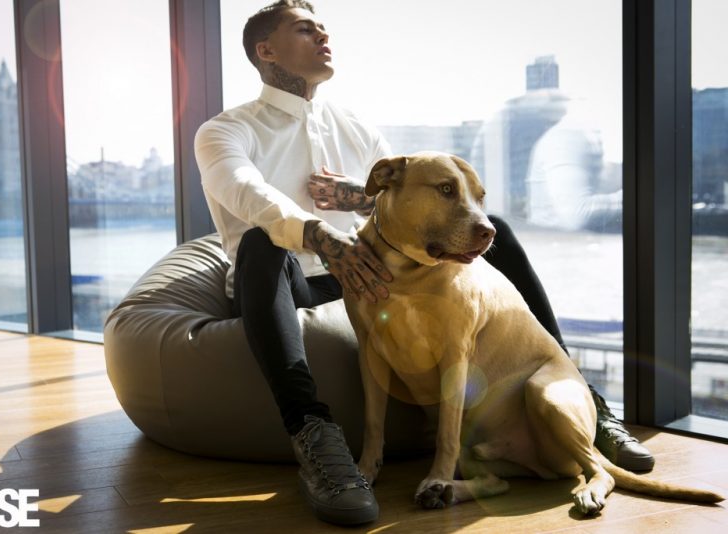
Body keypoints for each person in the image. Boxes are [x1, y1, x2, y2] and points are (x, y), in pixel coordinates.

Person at [194, 0, 654, 526]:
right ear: (266, 50)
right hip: (291, 285)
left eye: (325, 28)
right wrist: (318, 233)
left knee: (492, 229)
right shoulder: (224, 131)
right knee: (261, 244)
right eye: (305, 29)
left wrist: (360, 199)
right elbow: (244, 190)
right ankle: (313, 435)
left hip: (374, 282)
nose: (324, 36)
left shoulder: (357, 129)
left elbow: (405, 208)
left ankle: (582, 398)